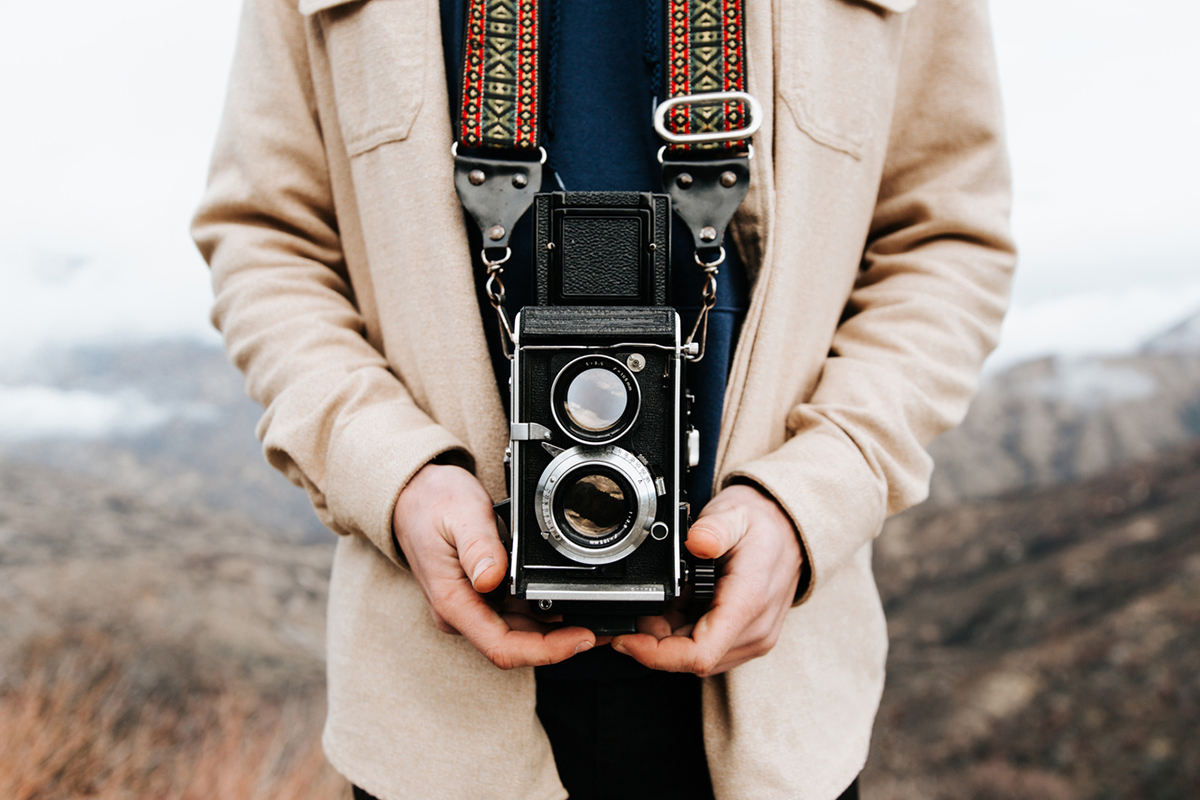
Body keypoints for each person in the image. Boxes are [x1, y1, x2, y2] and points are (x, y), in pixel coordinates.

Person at [192, 0, 1015, 797]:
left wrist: (814, 496)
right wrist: (394, 472)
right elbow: (268, 238)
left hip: (771, 704)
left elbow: (946, 236)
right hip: (437, 709)